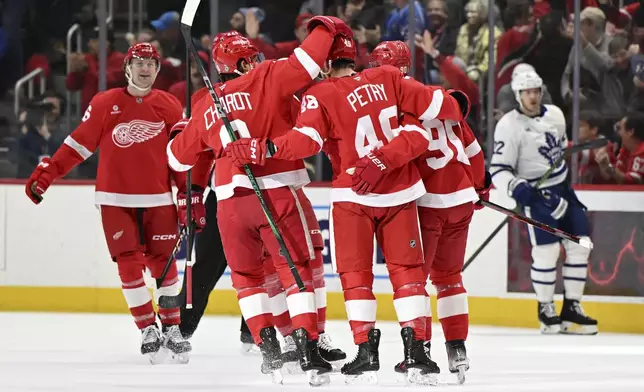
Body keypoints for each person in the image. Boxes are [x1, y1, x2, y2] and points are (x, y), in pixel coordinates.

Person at [224, 35, 466, 385]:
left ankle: (366, 353)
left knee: (356, 277)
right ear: (355, 58)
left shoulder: (319, 94)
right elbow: (442, 109)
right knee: (409, 273)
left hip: (353, 195)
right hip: (399, 192)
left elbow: (304, 143)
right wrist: (455, 102)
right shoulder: (389, 78)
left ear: (324, 64)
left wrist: (264, 147)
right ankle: (417, 354)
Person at [167, 18, 353, 384]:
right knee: (298, 267)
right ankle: (307, 342)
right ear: (247, 61)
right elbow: (308, 61)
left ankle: (267, 342)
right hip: (276, 188)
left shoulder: (207, 103)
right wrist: (327, 26)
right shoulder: (266, 75)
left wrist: (183, 130)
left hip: (229, 203)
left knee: (248, 278)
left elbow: (177, 159)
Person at [24, 43, 193, 363]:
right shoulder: (105, 103)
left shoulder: (170, 105)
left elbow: (179, 156)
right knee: (128, 264)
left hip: (159, 199)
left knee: (164, 264)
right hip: (115, 199)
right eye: (139, 62)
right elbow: (78, 145)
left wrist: (187, 194)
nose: (145, 68)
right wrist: (48, 174)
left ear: (158, 70)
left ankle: (171, 326)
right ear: (127, 68)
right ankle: (147, 327)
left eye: (151, 63)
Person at [369, 40, 488, 385]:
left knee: (415, 283)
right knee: (450, 279)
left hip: (427, 207)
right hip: (462, 201)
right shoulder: (438, 97)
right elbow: (473, 151)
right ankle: (457, 349)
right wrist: (479, 187)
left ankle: (418, 353)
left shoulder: (396, 108)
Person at [490, 71, 598, 335]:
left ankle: (572, 306)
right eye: (527, 92)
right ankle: (545, 308)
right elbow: (499, 168)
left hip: (561, 188)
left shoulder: (556, 115)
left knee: (580, 245)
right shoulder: (508, 125)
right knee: (547, 251)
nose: (533, 96)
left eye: (536, 90)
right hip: (536, 196)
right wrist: (517, 188)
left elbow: (558, 150)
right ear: (518, 94)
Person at [595, 112, 644, 184]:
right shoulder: (625, 151)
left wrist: (609, 167)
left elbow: (631, 182)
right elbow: (614, 178)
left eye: (620, 128)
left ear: (630, 132)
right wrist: (603, 164)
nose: (618, 133)